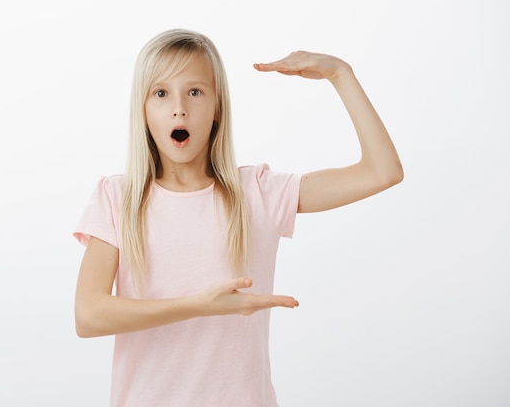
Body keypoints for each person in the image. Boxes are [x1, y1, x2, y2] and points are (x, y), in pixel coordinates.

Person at [73, 28, 403, 407]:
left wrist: (340, 74)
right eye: (161, 93)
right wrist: (201, 305)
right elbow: (88, 315)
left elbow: (383, 171)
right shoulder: (117, 198)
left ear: (217, 108)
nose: (179, 107)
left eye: (195, 92)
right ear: (144, 110)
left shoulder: (257, 193)